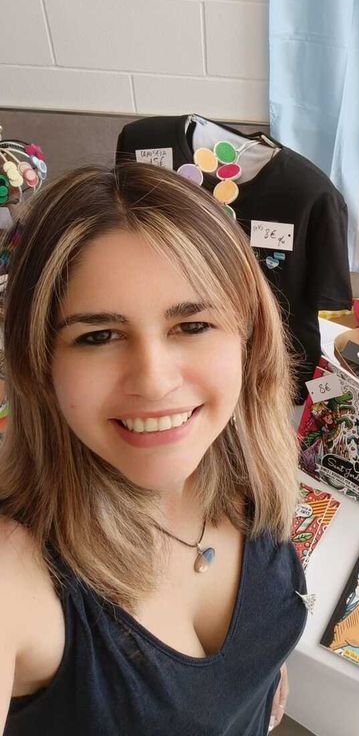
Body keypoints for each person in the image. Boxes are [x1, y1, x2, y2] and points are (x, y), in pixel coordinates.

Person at [0, 163, 308, 735]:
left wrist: (263, 678)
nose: (154, 380)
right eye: (98, 336)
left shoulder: (248, 465)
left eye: (192, 326)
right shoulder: (16, 572)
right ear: (40, 366)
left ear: (248, 337)